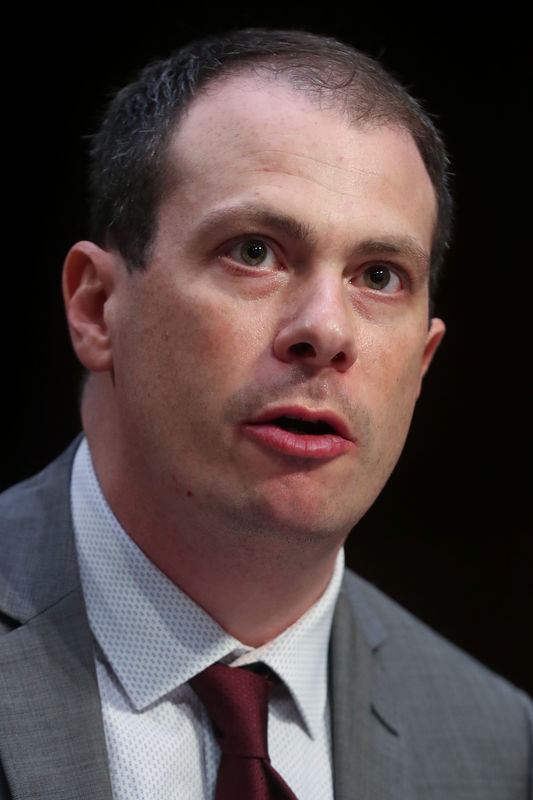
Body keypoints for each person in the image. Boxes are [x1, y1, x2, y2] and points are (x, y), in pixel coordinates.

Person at [0, 28, 531, 800]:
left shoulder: (496, 747)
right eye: (254, 251)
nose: (326, 330)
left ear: (420, 365)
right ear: (96, 307)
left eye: (377, 275)